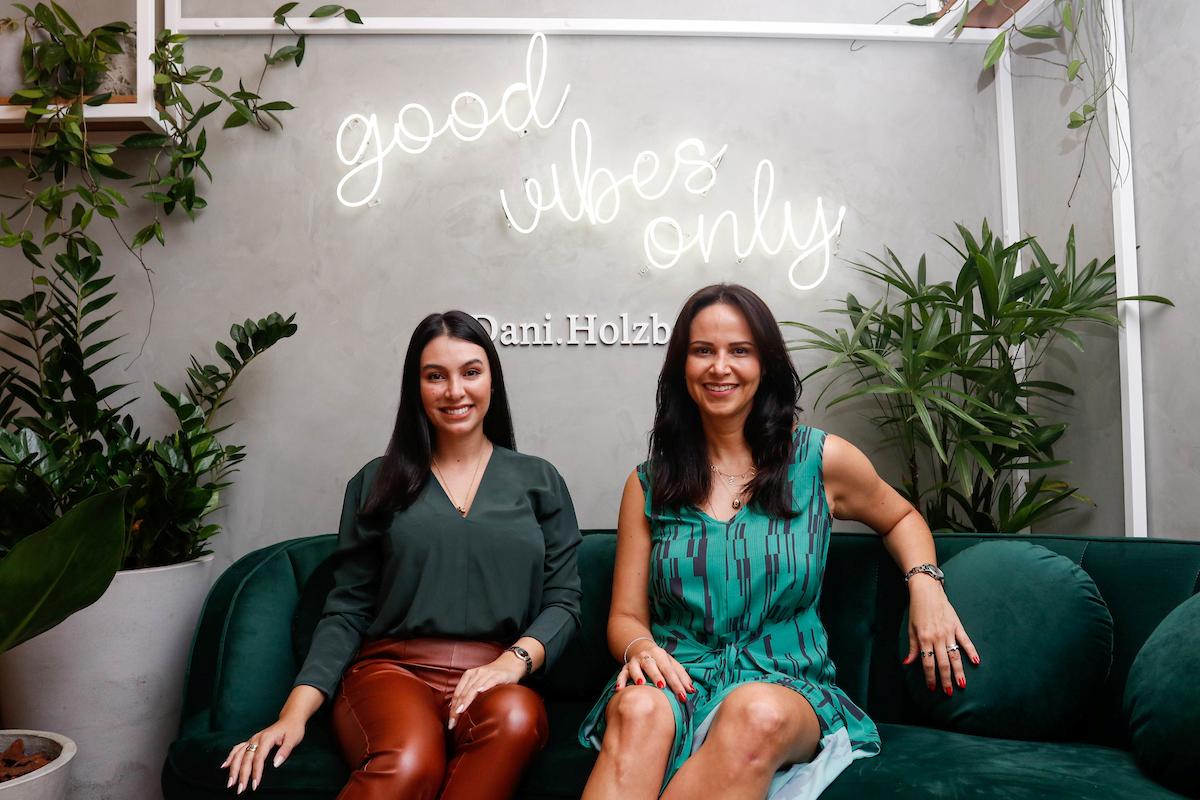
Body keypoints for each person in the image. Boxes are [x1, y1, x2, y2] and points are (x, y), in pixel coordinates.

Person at [579, 284, 979, 800]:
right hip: (678, 678)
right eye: (703, 351)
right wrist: (640, 648)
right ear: (682, 367)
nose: (720, 367)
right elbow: (626, 617)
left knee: (755, 712)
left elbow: (900, 517)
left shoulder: (821, 461)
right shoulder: (647, 484)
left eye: (739, 351)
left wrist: (926, 586)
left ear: (764, 364)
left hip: (784, 682)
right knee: (637, 708)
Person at [222, 310, 583, 799]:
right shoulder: (375, 481)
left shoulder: (541, 481)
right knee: (412, 759)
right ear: (416, 388)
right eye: (436, 376)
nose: (455, 391)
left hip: (496, 675)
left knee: (517, 717)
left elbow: (563, 602)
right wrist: (293, 715)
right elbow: (347, 610)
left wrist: (510, 664)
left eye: (471, 372)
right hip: (390, 672)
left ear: (492, 382)